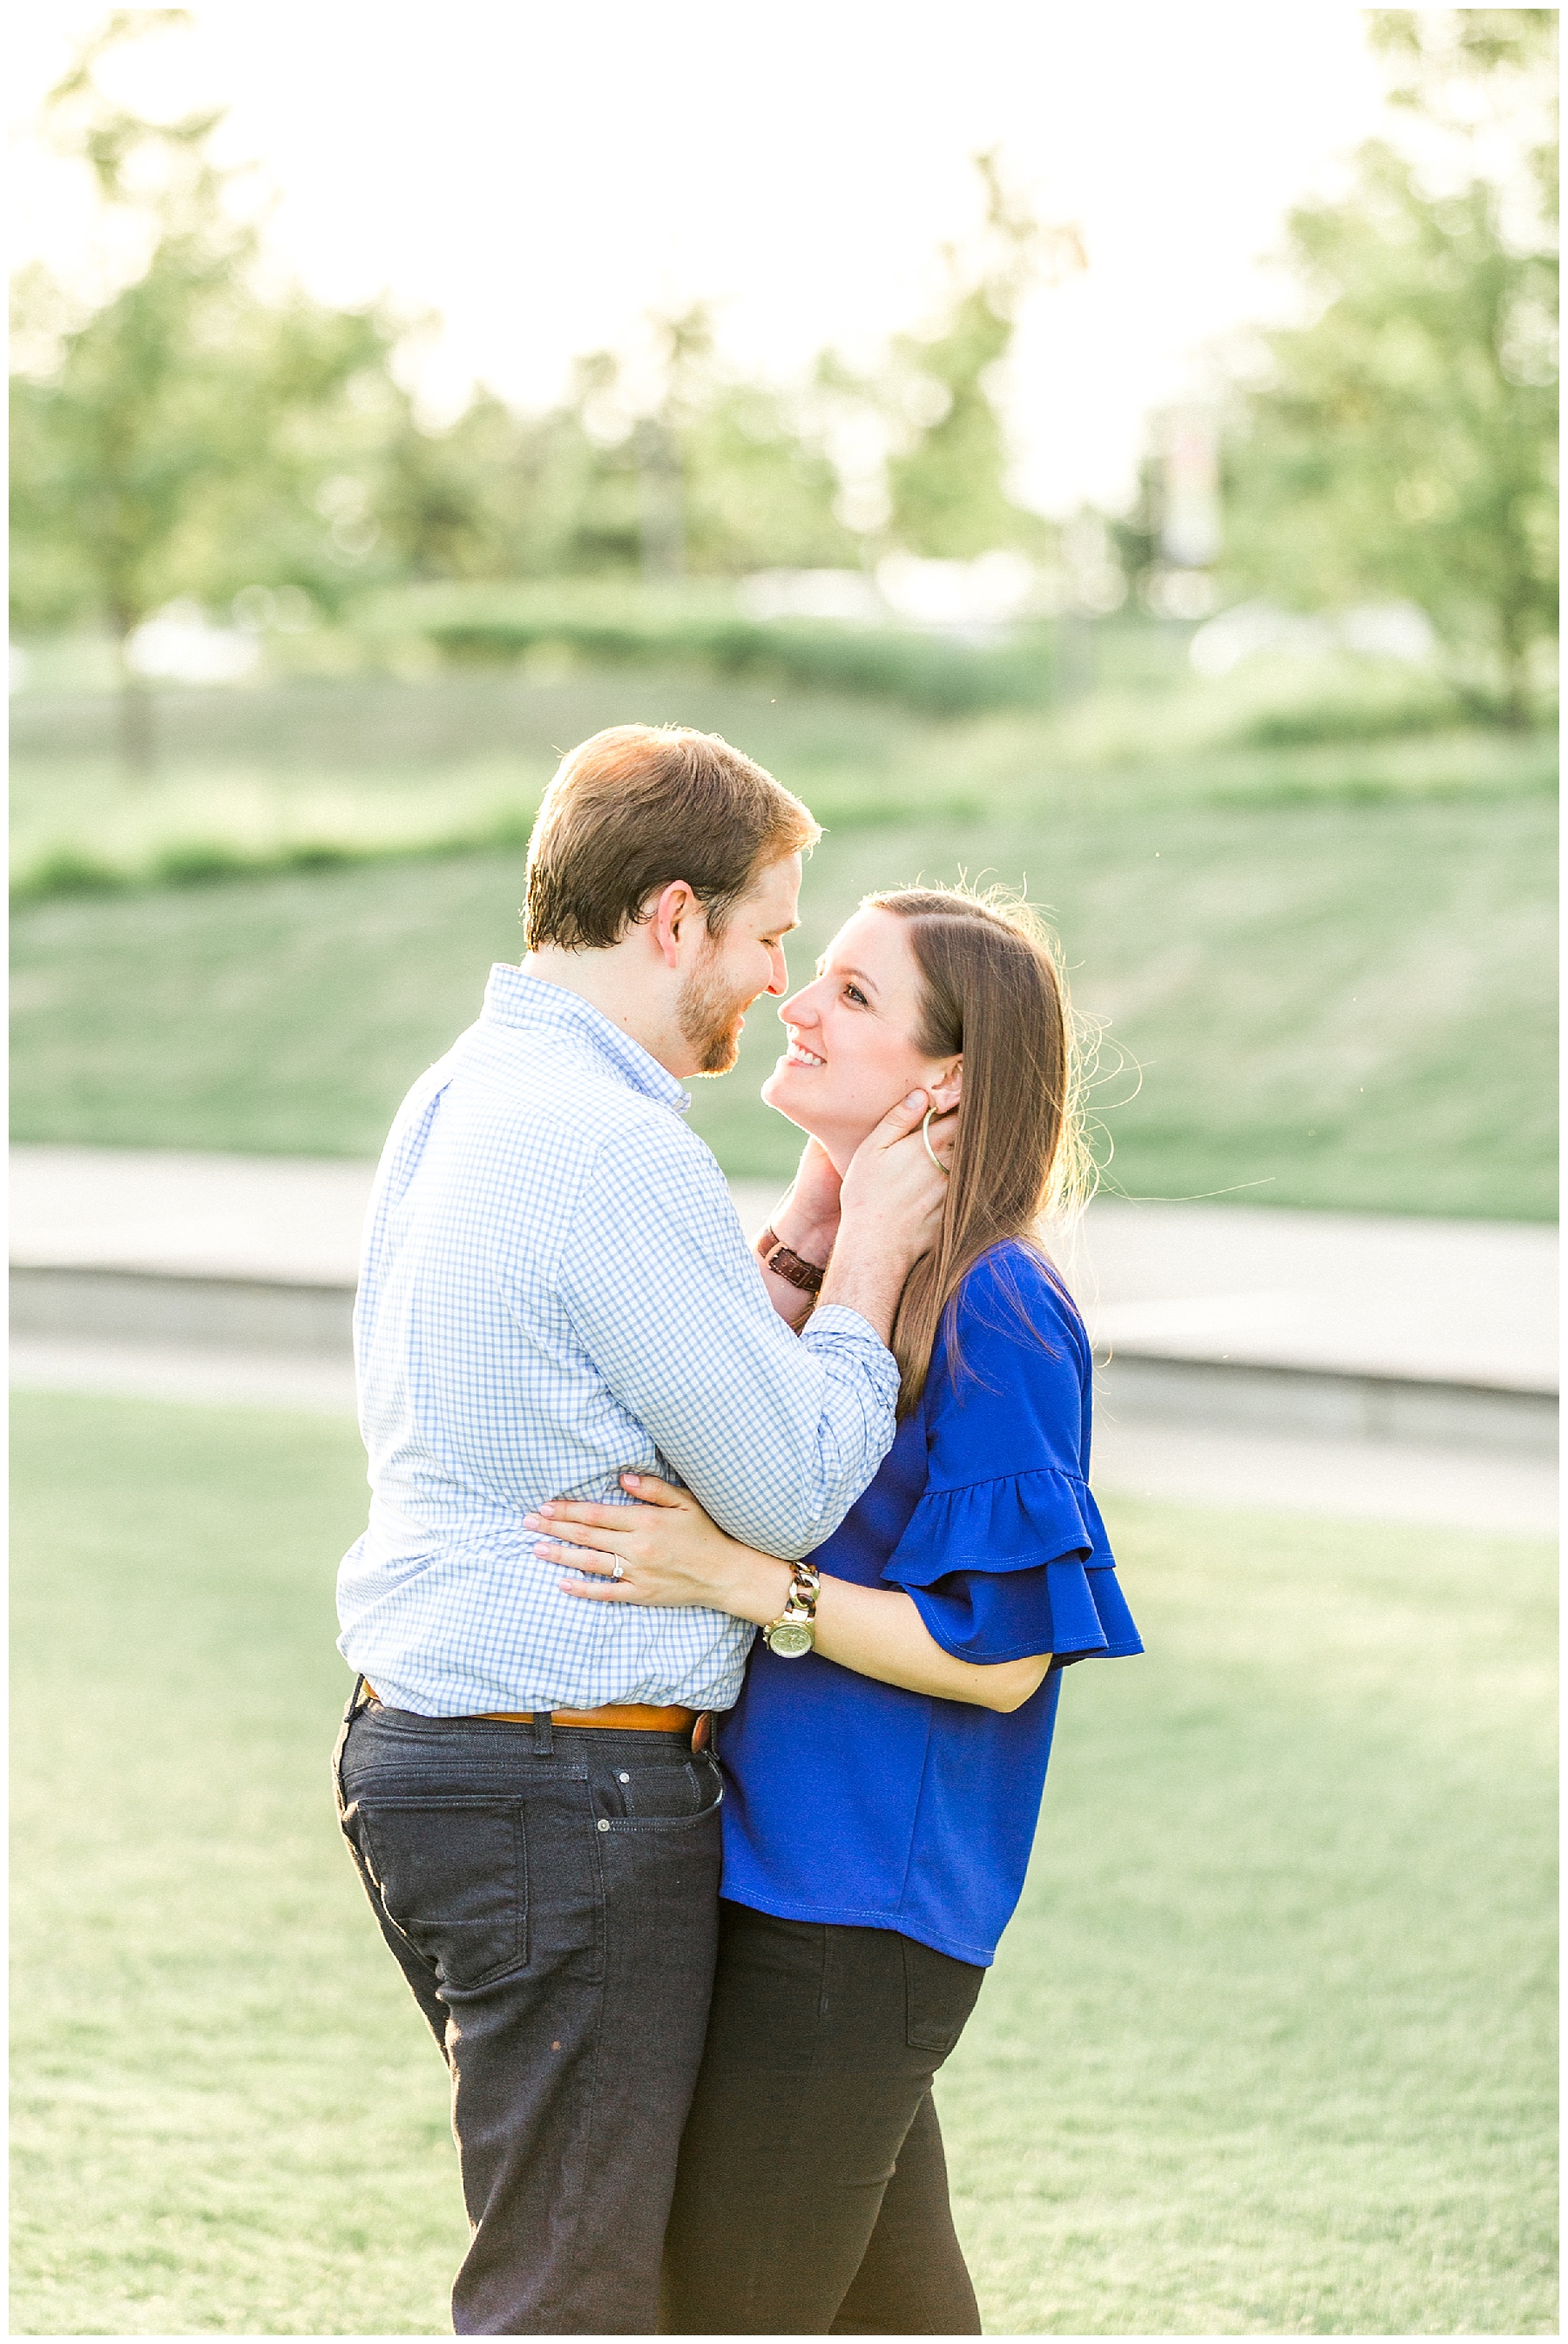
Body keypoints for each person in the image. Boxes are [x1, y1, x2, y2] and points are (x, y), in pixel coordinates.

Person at [331, 726, 951, 2335]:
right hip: (565, 1791)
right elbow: (793, 1489)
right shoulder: (616, 1149)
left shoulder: (465, 1090)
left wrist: (792, 1242)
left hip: (439, 1756)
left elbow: (615, 1376)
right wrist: (870, 1254)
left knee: (612, 2251)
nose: (778, 982)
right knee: (572, 2290)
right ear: (675, 916)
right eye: (770, 936)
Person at [525, 885, 1145, 2335]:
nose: (794, 1002)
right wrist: (821, 1219)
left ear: (950, 1080)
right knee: (895, 2311)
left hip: (857, 1909)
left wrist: (739, 1581)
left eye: (855, 995)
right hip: (768, 1874)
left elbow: (1004, 1660)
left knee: (727, 2313)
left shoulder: (1000, 1303)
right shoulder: (856, 1274)